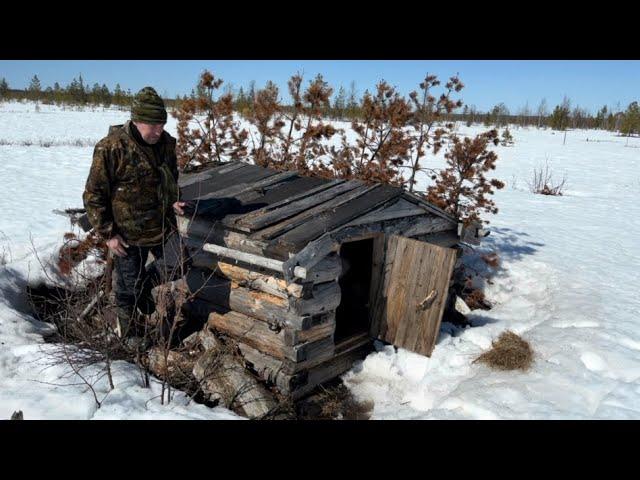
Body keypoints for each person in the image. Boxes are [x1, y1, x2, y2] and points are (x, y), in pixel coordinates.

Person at [83, 86, 190, 339]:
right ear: (136, 120)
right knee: (126, 289)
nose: (158, 130)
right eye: (152, 125)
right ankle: (130, 336)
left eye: (162, 124)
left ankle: (144, 287)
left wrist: (173, 200)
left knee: (180, 262)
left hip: (160, 224)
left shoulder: (165, 144)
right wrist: (108, 233)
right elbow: (93, 195)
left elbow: (170, 178)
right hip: (126, 233)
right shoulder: (111, 148)